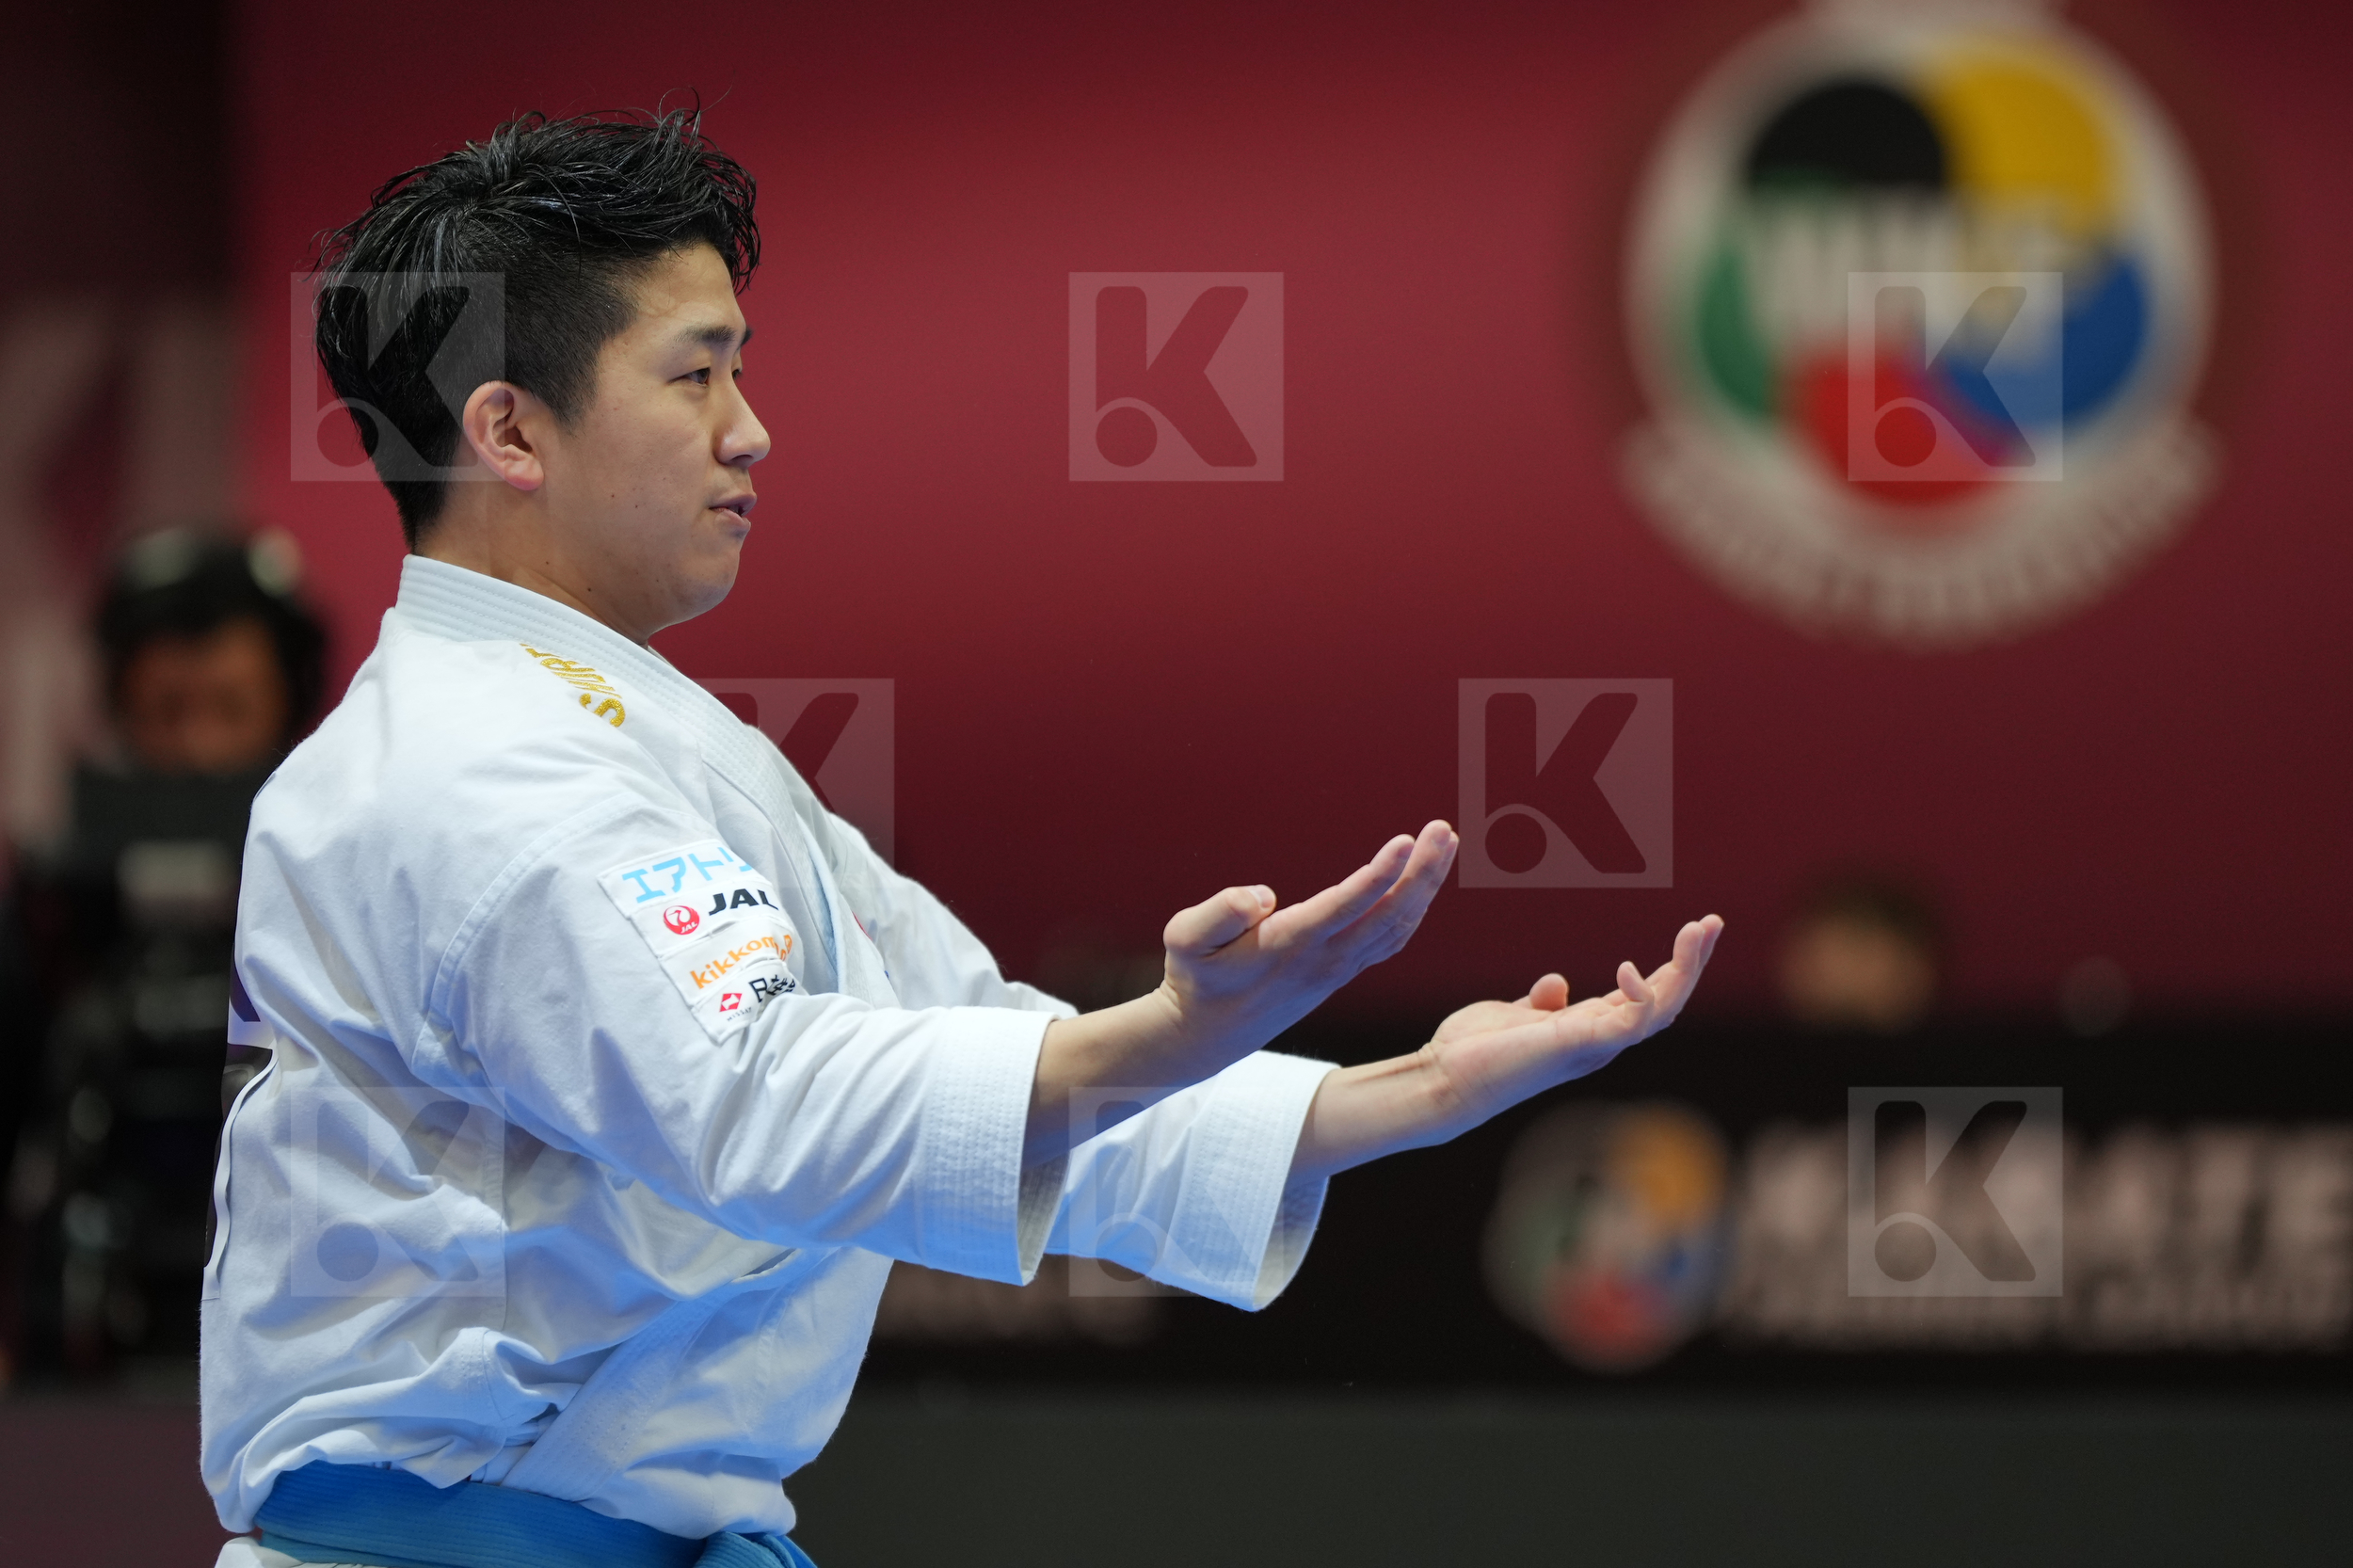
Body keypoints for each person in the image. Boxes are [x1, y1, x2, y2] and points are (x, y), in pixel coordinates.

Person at [204, 109, 1721, 1568]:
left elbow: (973, 1040)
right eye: (696, 374)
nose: (751, 430)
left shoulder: (631, 738)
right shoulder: (476, 769)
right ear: (510, 429)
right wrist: (1172, 1025)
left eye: (741, 370)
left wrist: (1402, 1088)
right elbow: (763, 1102)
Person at [6, 530, 320, 1384]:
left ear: (289, 703)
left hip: (299, 1337)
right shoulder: (51, 915)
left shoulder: (345, 894)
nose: (199, 749)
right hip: (83, 1353)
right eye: (167, 711)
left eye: (230, 708)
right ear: (119, 709)